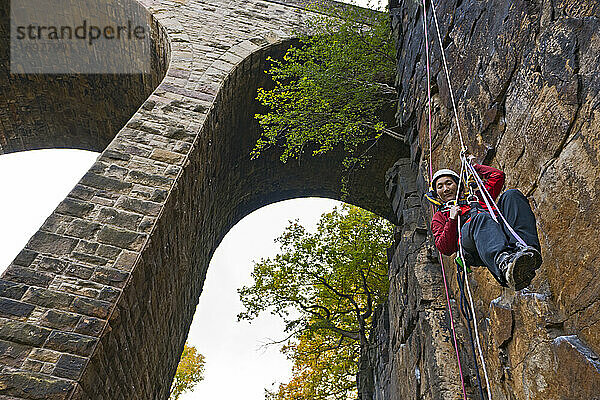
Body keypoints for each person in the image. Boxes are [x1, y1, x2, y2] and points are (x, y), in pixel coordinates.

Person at [429, 157, 542, 290]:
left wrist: (475, 167)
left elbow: (498, 176)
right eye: (440, 186)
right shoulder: (440, 216)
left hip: (497, 229)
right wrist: (452, 220)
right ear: (436, 193)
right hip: (473, 244)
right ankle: (504, 264)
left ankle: (526, 251)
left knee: (512, 195)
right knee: (480, 217)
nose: (446, 189)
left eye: (449, 183)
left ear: (457, 185)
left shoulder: (477, 198)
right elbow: (445, 248)